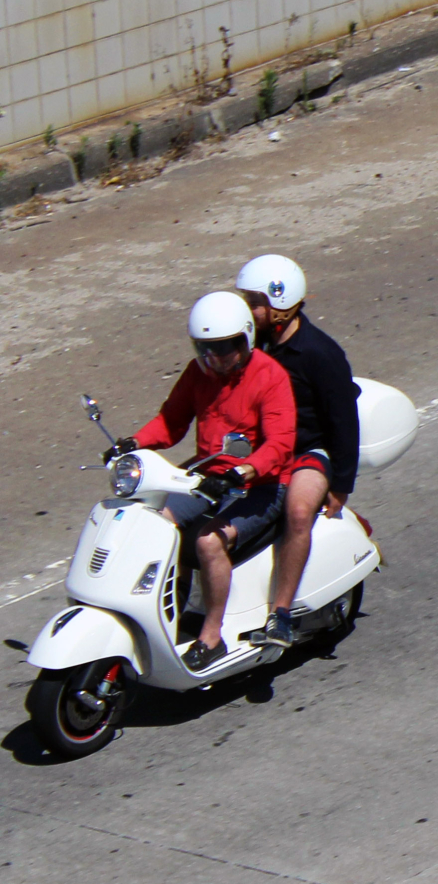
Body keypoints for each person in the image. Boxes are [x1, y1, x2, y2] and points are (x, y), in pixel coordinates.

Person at [127, 293, 297, 671]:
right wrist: (134, 442)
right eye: (207, 350)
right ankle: (172, 607)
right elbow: (171, 421)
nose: (216, 360)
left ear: (246, 340)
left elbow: (280, 444)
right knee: (154, 520)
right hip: (209, 477)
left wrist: (242, 471)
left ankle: (212, 635)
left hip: (261, 486)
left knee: (208, 541)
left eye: (225, 350)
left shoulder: (270, 377)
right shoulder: (198, 373)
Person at [234, 254, 361, 649]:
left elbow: (343, 422)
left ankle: (281, 614)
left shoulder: (320, 354)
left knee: (298, 510)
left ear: (281, 304)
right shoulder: (252, 346)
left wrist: (340, 486)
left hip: (309, 449)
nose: (248, 310)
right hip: (265, 448)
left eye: (255, 302)